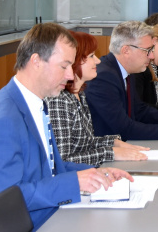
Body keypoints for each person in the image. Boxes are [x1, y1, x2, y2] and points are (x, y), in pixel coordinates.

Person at [0, 23, 133, 232]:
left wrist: (96, 173)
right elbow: (8, 199)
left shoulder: (36, 102)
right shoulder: (4, 121)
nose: (71, 76)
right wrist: (74, 183)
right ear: (36, 61)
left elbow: (50, 167)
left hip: (43, 218)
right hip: (18, 229)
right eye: (64, 66)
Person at [47, 31, 151, 165]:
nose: (97, 60)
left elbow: (87, 143)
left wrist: (115, 143)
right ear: (74, 61)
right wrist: (111, 152)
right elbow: (63, 160)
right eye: (91, 56)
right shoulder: (59, 101)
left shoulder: (80, 94)